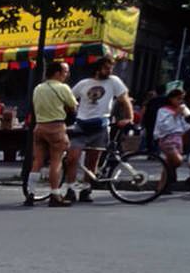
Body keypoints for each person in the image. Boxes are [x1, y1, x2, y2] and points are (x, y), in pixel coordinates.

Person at [67, 56, 132, 202]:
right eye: (106, 68)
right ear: (98, 68)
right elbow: (69, 99)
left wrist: (129, 117)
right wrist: (72, 112)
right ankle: (70, 188)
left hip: (100, 125)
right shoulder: (84, 83)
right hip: (81, 124)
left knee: (92, 160)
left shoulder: (114, 81)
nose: (109, 71)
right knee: (72, 158)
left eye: (111, 68)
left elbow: (124, 99)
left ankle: (86, 189)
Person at [29, 60, 78, 207]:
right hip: (56, 127)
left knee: (37, 161)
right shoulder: (63, 88)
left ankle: (30, 193)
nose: (67, 75)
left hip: (39, 127)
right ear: (57, 73)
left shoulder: (38, 88)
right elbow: (73, 106)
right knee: (56, 161)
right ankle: (55, 194)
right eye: (65, 72)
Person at [153, 86, 190, 193]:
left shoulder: (181, 110)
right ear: (171, 98)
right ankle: (171, 177)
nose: (180, 101)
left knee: (168, 163)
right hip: (168, 139)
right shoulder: (163, 110)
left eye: (182, 99)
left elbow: (185, 125)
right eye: (178, 98)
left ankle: (162, 187)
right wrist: (175, 114)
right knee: (177, 161)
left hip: (178, 139)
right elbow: (163, 126)